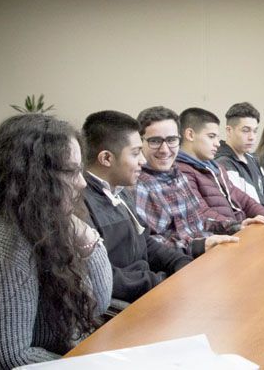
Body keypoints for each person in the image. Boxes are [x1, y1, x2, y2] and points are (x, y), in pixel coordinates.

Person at [0, 114, 112, 368]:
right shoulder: (4, 245)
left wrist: (80, 231)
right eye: (71, 172)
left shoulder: (43, 223)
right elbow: (6, 358)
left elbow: (100, 304)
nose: (82, 182)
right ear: (32, 177)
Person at [81, 111, 192, 303]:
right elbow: (102, 274)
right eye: (135, 153)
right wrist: (158, 281)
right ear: (106, 158)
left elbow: (145, 241)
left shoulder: (121, 191)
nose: (143, 160)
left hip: (148, 291)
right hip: (124, 306)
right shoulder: (81, 205)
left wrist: (178, 262)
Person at [134, 106, 239, 257]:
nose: (164, 149)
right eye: (155, 141)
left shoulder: (177, 173)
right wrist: (198, 246)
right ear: (140, 142)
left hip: (208, 255)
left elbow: (199, 220)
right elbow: (151, 244)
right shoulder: (140, 186)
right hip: (185, 265)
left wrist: (234, 226)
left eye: (171, 140)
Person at [176, 108, 264, 226]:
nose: (217, 143)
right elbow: (202, 213)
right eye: (211, 136)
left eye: (217, 137)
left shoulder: (216, 167)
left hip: (236, 231)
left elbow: (245, 200)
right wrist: (237, 226)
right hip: (222, 238)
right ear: (190, 134)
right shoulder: (181, 171)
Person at [216, 102, 264, 212]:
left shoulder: (252, 158)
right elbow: (247, 206)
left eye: (255, 131)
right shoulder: (223, 164)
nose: (252, 137)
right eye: (245, 130)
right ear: (229, 130)